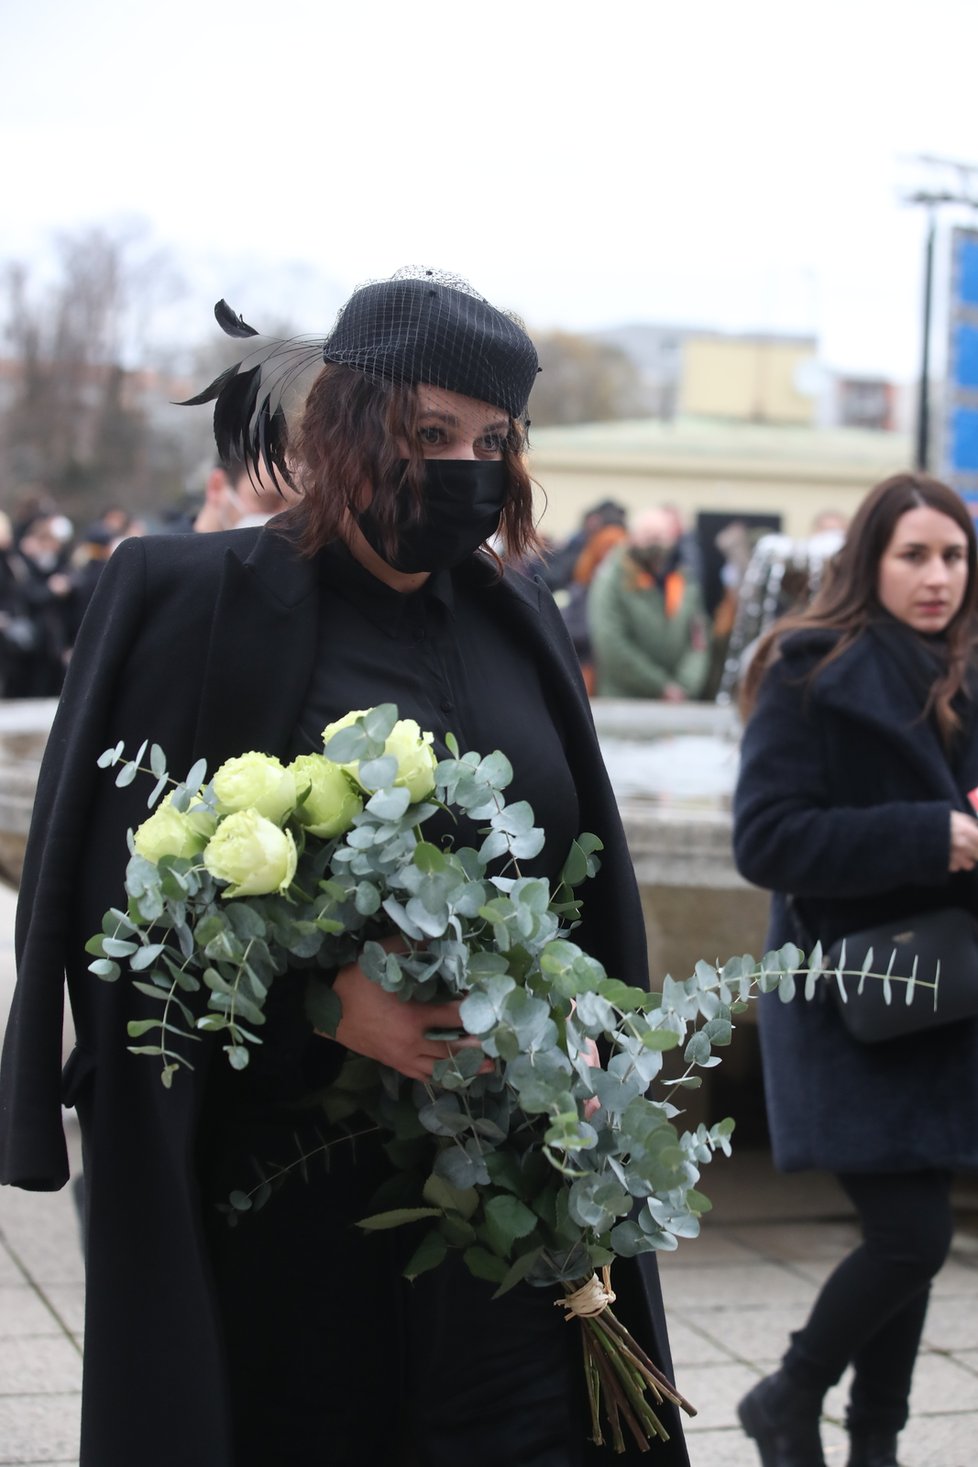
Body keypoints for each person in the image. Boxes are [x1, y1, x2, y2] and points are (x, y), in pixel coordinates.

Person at [0, 268, 689, 1467]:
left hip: (513, 1209)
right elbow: (118, 905)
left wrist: (580, 1035)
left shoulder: (518, 611)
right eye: (432, 434)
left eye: (493, 439)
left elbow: (580, 887)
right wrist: (322, 1006)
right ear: (348, 424)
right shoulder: (190, 599)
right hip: (292, 1213)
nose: (466, 467)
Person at [731, 471, 978, 1467]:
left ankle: (875, 1440)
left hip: (946, 993)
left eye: (954, 556)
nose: (937, 577)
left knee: (913, 1245)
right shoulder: (809, 667)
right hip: (852, 996)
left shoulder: (965, 672)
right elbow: (769, 842)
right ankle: (786, 1396)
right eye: (913, 554)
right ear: (869, 561)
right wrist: (931, 836)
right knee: (912, 1237)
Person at [587, 506, 711, 700]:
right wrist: (662, 687)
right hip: (625, 702)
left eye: (660, 536)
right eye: (648, 536)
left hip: (677, 703)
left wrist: (685, 686)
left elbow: (698, 640)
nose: (655, 545)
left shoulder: (684, 580)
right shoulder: (612, 579)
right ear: (633, 537)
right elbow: (611, 643)